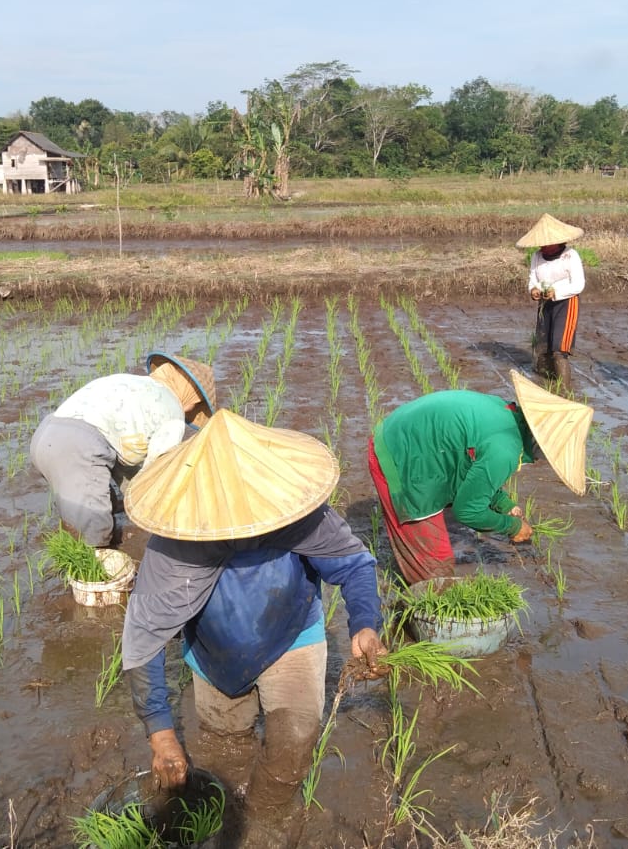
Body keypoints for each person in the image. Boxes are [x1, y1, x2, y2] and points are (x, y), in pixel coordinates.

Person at [119, 409, 388, 824]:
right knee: (224, 747)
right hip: (213, 655)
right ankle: (228, 821)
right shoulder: (174, 549)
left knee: (296, 739)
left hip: (291, 636)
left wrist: (365, 625)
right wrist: (162, 734)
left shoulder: (298, 513)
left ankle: (262, 821)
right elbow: (145, 639)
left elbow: (353, 564)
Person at [368, 370, 593, 584]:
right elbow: (467, 511)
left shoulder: (505, 412)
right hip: (399, 458)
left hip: (400, 434)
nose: (544, 460)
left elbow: (471, 464)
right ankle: (417, 613)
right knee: (435, 569)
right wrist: (512, 526)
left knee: (427, 556)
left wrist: (503, 503)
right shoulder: (505, 450)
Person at [28, 352, 214, 547]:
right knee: (94, 530)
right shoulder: (173, 414)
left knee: (91, 502)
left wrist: (132, 499)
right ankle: (95, 569)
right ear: (190, 395)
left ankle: (74, 543)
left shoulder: (133, 383)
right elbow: (157, 470)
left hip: (46, 434)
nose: (191, 409)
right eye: (196, 403)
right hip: (77, 446)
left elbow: (127, 464)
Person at [520, 213, 587, 386]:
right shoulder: (537, 256)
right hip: (545, 304)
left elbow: (578, 285)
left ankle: (564, 389)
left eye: (547, 243)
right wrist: (533, 289)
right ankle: (545, 384)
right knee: (543, 346)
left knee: (559, 349)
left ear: (557, 242)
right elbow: (533, 278)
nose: (543, 246)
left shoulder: (570, 256)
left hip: (566, 303)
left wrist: (555, 292)